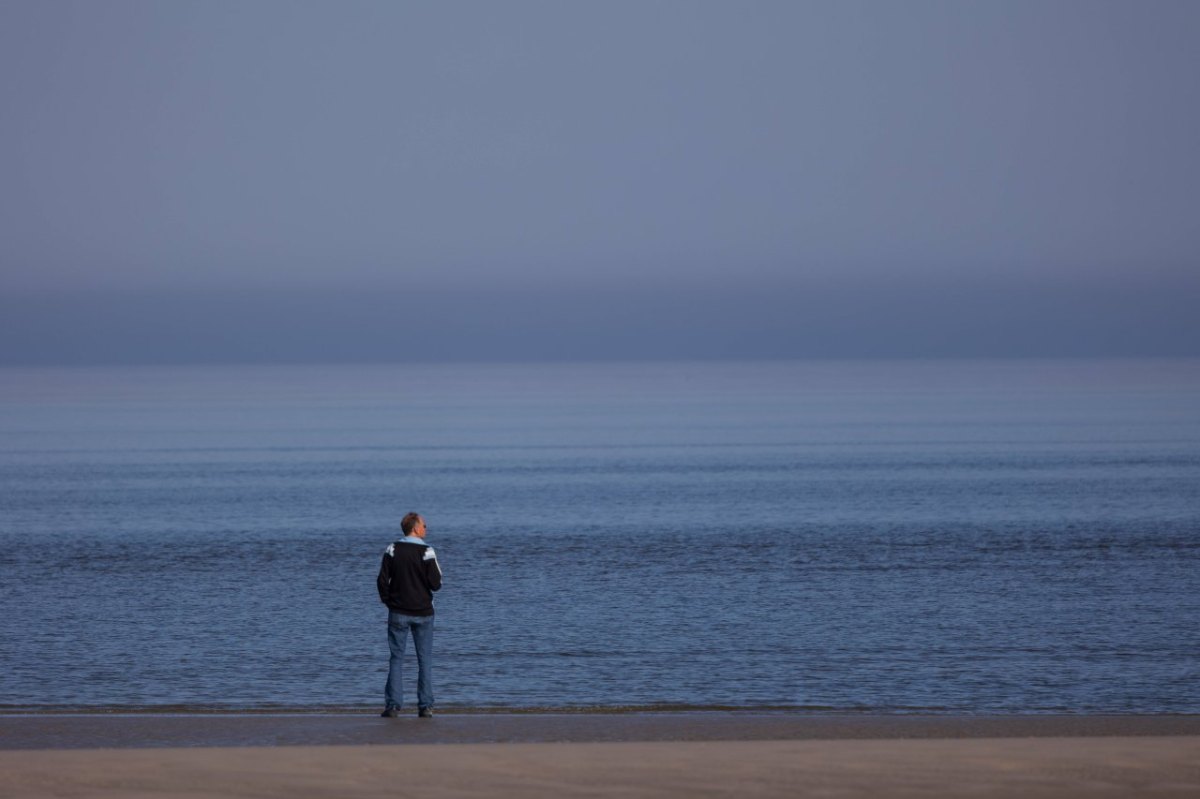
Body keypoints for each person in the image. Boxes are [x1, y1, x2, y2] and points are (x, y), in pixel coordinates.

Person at [376, 511, 442, 718]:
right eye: (424, 525)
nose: (426, 528)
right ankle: (425, 706)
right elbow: (436, 584)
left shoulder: (393, 548)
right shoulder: (427, 551)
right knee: (425, 660)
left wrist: (389, 602)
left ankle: (393, 705)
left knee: (396, 658)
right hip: (423, 612)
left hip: (398, 612)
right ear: (415, 528)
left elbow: (381, 581)